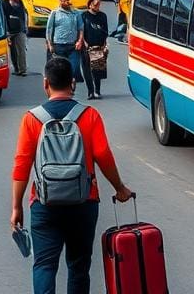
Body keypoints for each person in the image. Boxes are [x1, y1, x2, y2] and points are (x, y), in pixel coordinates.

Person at [10, 56, 132, 294]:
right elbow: (103, 156)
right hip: (84, 202)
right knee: (78, 266)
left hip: (45, 204)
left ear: (45, 83)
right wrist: (119, 187)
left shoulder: (31, 119)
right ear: (73, 83)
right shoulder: (90, 115)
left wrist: (17, 206)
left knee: (44, 265)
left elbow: (21, 165)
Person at [46, 0, 84, 82]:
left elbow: (81, 28)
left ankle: (72, 87)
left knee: (74, 69)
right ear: (59, 0)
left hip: (73, 46)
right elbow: (49, 30)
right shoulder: (55, 13)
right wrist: (50, 44)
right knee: (60, 71)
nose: (66, 1)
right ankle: (64, 90)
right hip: (58, 46)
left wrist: (80, 41)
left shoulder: (76, 13)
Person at [80, 0, 108, 99]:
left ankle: (97, 90)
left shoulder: (102, 16)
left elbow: (105, 32)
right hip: (87, 47)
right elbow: (81, 31)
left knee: (97, 69)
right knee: (87, 69)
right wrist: (84, 42)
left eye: (99, 4)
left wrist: (104, 45)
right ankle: (90, 91)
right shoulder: (84, 16)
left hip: (98, 47)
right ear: (90, 5)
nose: (97, 7)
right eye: (95, 5)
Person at [4, 0, 29, 77]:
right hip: (9, 30)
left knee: (21, 50)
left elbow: (24, 16)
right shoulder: (5, 3)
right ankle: (16, 68)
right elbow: (4, 17)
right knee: (13, 51)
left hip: (20, 30)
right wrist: (6, 31)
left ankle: (23, 69)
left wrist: (25, 28)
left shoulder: (21, 3)